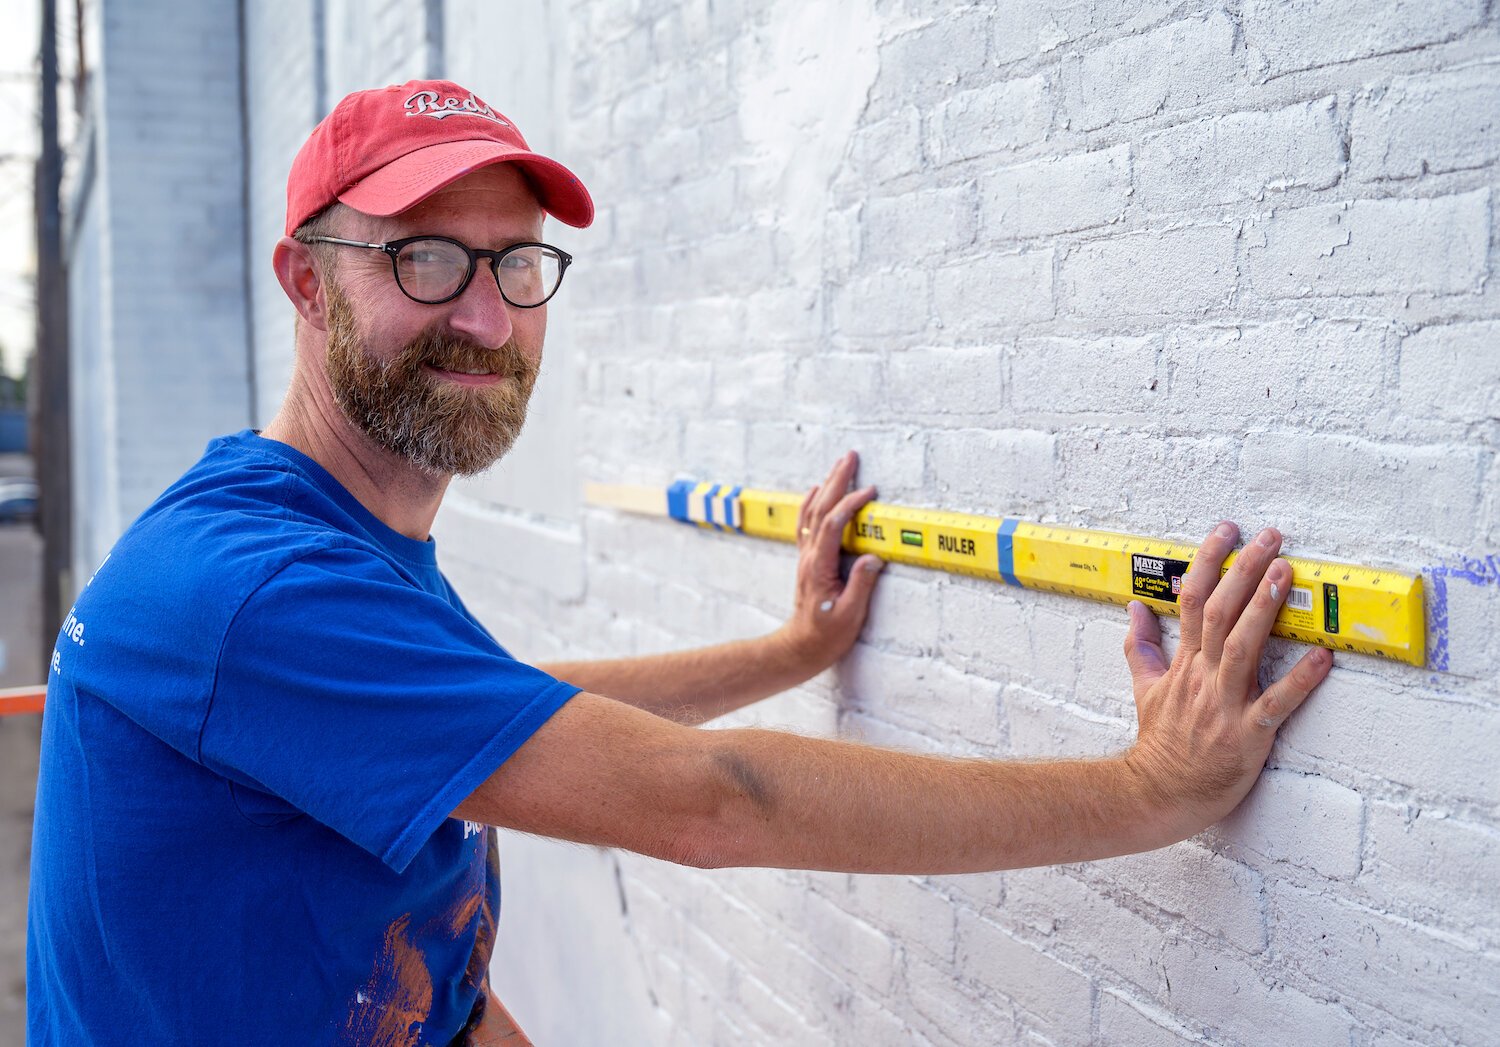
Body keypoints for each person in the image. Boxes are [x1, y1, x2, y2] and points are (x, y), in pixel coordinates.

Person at [27, 78, 1332, 1046]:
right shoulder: (251, 589)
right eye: (422, 257)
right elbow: (710, 805)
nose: (486, 315)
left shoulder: (329, 544)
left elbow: (516, 712)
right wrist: (1155, 788)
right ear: (306, 284)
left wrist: (792, 651)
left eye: (517, 264)